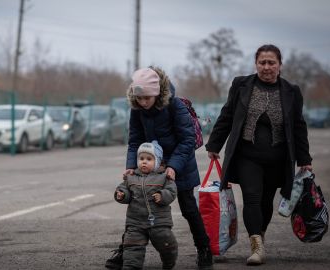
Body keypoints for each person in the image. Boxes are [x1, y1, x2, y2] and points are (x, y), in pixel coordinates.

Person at [205, 44, 313, 265]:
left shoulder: (292, 91)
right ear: (256, 64)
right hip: (247, 156)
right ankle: (256, 246)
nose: (266, 67)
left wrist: (304, 159)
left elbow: (298, 126)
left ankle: (260, 235)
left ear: (280, 65)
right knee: (252, 198)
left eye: (271, 62)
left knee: (266, 201)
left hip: (278, 158)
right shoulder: (241, 85)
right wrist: (214, 144)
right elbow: (227, 114)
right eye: (262, 62)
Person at [106, 66, 213, 269]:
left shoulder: (174, 106)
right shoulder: (137, 109)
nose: (143, 102)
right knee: (138, 209)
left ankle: (204, 249)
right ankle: (125, 251)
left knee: (189, 209)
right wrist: (131, 165)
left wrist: (172, 166)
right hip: (151, 164)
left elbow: (187, 140)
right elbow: (135, 139)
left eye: (147, 98)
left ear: (157, 93)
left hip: (179, 164)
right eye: (139, 98)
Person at [115, 140, 178, 270]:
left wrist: (162, 195)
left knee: (166, 245)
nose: (144, 161)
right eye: (141, 158)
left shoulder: (164, 177)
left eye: (149, 159)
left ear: (158, 162)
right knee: (132, 247)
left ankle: (169, 262)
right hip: (135, 222)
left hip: (159, 222)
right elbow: (123, 188)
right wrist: (121, 194)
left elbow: (172, 191)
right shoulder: (131, 177)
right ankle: (131, 266)